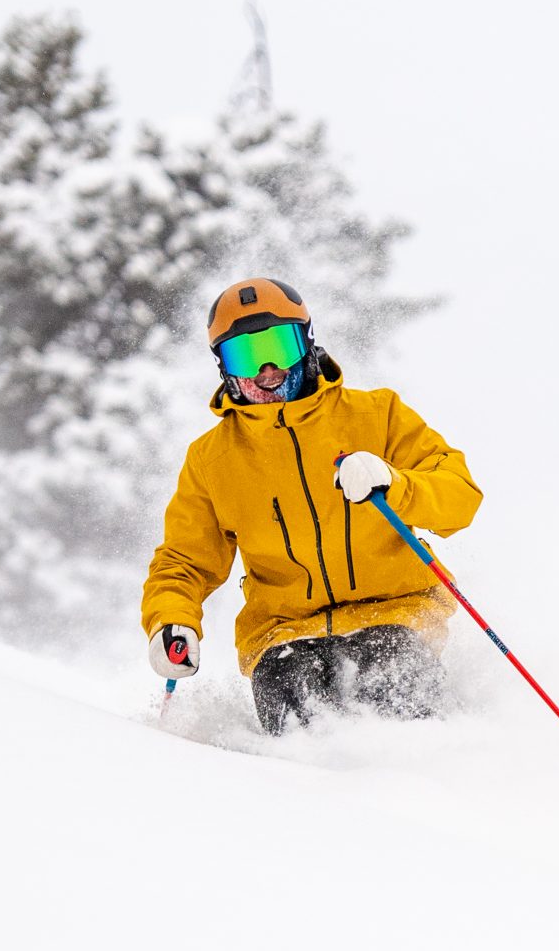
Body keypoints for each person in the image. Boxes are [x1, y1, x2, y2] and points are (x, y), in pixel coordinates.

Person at [142, 277, 483, 734]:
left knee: (390, 670)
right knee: (289, 687)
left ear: (306, 343)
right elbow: (184, 561)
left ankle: (433, 780)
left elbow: (459, 497)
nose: (266, 370)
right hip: (284, 633)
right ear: (223, 367)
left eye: (279, 347)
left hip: (397, 615)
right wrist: (173, 620)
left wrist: (395, 483)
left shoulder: (376, 415)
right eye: (244, 355)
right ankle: (304, 795)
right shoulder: (212, 460)